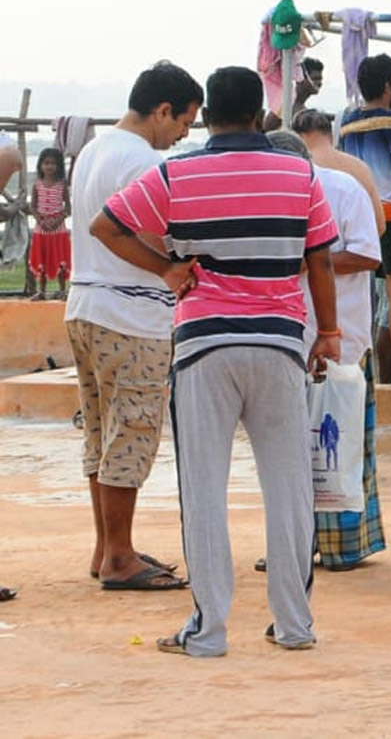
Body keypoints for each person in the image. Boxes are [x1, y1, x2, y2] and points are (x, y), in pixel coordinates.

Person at [93, 66, 340, 656]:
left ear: (205, 116)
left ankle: (208, 631)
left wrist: (166, 270)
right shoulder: (299, 172)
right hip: (280, 344)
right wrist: (327, 332)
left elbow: (107, 225)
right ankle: (294, 625)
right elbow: (321, 261)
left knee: (204, 489)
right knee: (288, 487)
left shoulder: (177, 173)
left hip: (204, 344)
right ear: (260, 115)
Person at [65, 61, 202, 591]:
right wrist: (168, 268)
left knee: (101, 432)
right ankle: (120, 556)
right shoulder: (143, 161)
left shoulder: (94, 151)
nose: (183, 134)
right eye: (184, 122)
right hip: (130, 313)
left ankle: (107, 547)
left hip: (85, 305)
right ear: (162, 110)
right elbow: (125, 231)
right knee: (133, 431)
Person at [268, 130, 385, 571]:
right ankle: (291, 544)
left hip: (342, 339)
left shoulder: (342, 189)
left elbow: (369, 256)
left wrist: (312, 262)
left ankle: (343, 546)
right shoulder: (270, 194)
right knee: (283, 446)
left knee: (344, 446)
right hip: (285, 338)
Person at [339, 54, 391, 387]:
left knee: (362, 295)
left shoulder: (347, 121)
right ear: (388, 85)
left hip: (358, 215)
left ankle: (358, 365)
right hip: (390, 213)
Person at [27, 147, 71, 300]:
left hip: (58, 230)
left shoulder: (62, 184)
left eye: (53, 163)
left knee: (60, 259)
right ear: (40, 165)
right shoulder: (37, 184)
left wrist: (57, 220)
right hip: (41, 229)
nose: (49, 166)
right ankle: (42, 291)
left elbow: (68, 208)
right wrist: (40, 220)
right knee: (42, 259)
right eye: (46, 163)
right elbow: (32, 206)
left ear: (59, 166)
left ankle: (62, 290)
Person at [263, 57, 324, 132]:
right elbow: (266, 128)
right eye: (315, 78)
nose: (319, 83)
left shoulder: (303, 108)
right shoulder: (286, 103)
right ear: (300, 78)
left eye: (320, 79)